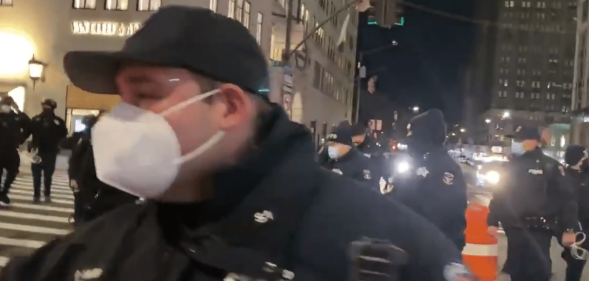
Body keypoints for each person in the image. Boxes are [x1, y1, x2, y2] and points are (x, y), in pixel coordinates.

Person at [0, 7, 475, 281]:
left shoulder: (380, 251)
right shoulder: (105, 245)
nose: (122, 119)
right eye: (121, 100)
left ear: (228, 106)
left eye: (146, 96)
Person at [487, 125, 579, 281]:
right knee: (516, 273)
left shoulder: (551, 166)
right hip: (515, 230)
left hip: (540, 231)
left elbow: (567, 199)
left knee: (538, 273)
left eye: (522, 139)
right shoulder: (510, 166)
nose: (518, 143)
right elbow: (500, 195)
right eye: (516, 140)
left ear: (536, 141)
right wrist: (493, 220)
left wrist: (570, 228)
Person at [387, 109, 467, 251]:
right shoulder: (413, 162)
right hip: (404, 244)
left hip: (430, 250)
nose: (408, 138)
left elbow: (446, 216)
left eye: (411, 133)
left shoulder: (447, 169)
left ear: (423, 136)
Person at [60, 113, 138, 225]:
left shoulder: (123, 144)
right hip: (91, 188)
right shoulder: (86, 140)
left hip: (113, 193)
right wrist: (74, 178)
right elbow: (77, 160)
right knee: (83, 210)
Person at [28, 98, 68, 203]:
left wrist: (59, 146)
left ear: (52, 108)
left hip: (51, 152)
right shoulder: (36, 119)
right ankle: (36, 195)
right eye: (44, 106)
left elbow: (63, 135)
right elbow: (29, 132)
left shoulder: (58, 122)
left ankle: (47, 194)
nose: (45, 108)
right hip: (37, 151)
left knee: (48, 175)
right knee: (36, 174)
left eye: (47, 106)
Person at [560, 145, 589, 281]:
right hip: (577, 226)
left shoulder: (586, 174)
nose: (586, 157)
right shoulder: (563, 176)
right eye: (584, 155)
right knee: (576, 261)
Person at [319, 122, 375, 186]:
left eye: (334, 145)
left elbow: (365, 189)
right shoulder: (325, 158)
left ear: (347, 145)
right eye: (329, 145)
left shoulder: (362, 163)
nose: (330, 148)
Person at [0, 97, 27, 207]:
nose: (5, 106)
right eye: (4, 104)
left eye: (8, 104)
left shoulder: (15, 118)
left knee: (14, 171)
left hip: (11, 149)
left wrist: (18, 109)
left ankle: (4, 192)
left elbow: (28, 123)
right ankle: (2, 196)